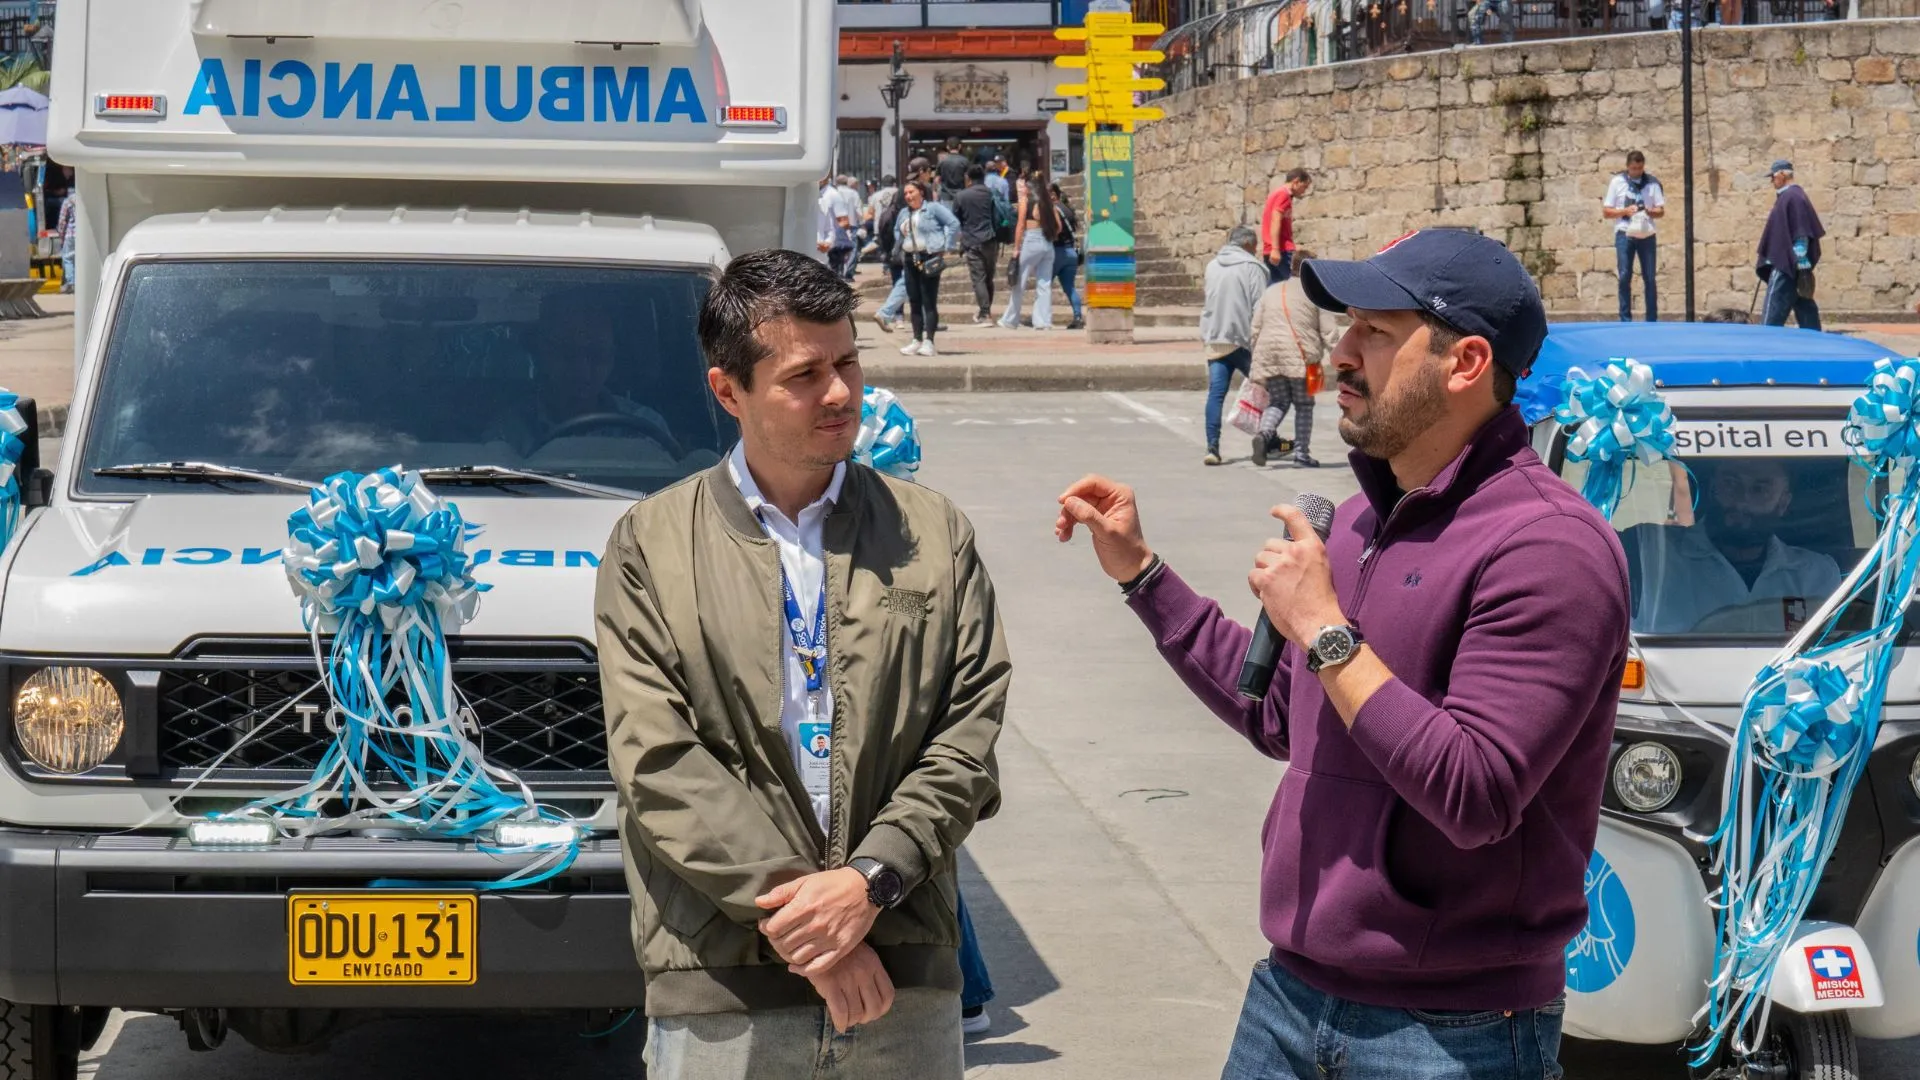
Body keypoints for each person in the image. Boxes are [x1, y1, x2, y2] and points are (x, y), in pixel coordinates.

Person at [1054, 229, 1628, 1080]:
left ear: (1465, 362)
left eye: (1376, 333)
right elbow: (1283, 715)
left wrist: (1326, 631)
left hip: (1453, 1031)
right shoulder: (1361, 518)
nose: (1343, 352)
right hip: (1290, 997)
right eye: (1347, 325)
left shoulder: (1549, 548)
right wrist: (1143, 574)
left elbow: (1475, 791)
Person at [596, 248, 1010, 1079]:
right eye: (804, 374)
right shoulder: (651, 544)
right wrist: (806, 927)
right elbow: (658, 759)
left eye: (849, 362)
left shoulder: (932, 535)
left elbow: (967, 739)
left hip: (900, 970)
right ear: (728, 391)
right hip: (721, 984)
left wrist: (867, 885)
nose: (840, 393)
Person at [1625, 457, 1842, 634]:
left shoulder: (1816, 574)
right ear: (1712, 488)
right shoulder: (1652, 555)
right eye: (1730, 483)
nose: (1741, 500)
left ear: (1783, 503)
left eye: (1760, 489)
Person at [1246, 249, 1339, 468]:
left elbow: (1255, 328)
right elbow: (1329, 331)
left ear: (1291, 267)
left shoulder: (1272, 290)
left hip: (1270, 355)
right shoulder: (1315, 292)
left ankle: (1264, 433)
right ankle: (1301, 455)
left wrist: (1256, 356)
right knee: (1304, 405)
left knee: (1278, 402)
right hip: (1303, 358)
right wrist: (1339, 357)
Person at [1199, 225, 1268, 465]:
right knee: (1270, 388)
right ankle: (1268, 438)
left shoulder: (1212, 265)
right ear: (1249, 245)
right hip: (1242, 340)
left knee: (1216, 394)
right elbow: (1260, 307)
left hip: (1214, 338)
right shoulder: (1253, 267)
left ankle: (1212, 447)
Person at [894, 180, 960, 357]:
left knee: (928, 299)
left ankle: (929, 340)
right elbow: (897, 231)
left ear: (921, 192)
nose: (908, 196)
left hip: (929, 256)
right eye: (906, 193)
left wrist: (947, 245)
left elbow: (953, 223)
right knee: (914, 300)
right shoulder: (903, 212)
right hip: (910, 258)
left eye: (911, 192)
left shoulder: (933, 208)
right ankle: (917, 339)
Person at [1757, 159, 1824, 330]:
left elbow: (1800, 228)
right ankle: (1815, 341)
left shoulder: (1793, 196)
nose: (1772, 181)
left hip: (1787, 263)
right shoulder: (1789, 196)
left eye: (1773, 177)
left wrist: (1799, 256)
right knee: (1803, 304)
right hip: (1794, 263)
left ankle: (1765, 343)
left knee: (1773, 309)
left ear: (1782, 174)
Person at [1602, 150, 1665, 322]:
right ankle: (1625, 318)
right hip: (1624, 233)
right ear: (1627, 167)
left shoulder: (1652, 183)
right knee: (1624, 276)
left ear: (1643, 166)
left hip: (1647, 234)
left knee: (1650, 277)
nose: (1636, 171)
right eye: (1633, 168)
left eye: (1639, 168)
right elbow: (1607, 212)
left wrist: (1650, 211)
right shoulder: (1617, 182)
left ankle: (1652, 319)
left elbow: (1661, 211)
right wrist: (1624, 211)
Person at [999, 170, 1062, 331]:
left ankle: (1011, 319)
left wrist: (1016, 248)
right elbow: (1059, 227)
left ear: (1029, 185)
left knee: (1019, 281)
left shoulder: (1026, 201)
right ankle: (1042, 322)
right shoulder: (1048, 202)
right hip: (1048, 243)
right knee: (1044, 284)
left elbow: (1020, 226)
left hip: (1031, 240)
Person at [951, 165, 1002, 326]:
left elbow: (955, 220)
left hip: (972, 240)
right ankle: (985, 311)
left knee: (978, 279)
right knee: (989, 278)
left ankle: (985, 314)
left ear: (968, 178)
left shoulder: (961, 196)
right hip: (991, 239)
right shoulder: (991, 193)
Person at [1260, 170, 1312, 285]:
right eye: (1304, 187)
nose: (1304, 191)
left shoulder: (1276, 194)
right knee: (1296, 285)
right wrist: (1276, 249)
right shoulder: (1284, 195)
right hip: (1281, 250)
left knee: (1275, 287)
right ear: (1296, 182)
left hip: (1271, 249)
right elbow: (1275, 219)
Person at [1050, 182, 1086, 331]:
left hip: (1058, 251)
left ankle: (1042, 318)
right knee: (1070, 288)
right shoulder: (1068, 209)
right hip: (1071, 253)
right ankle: (1078, 317)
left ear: (1053, 195)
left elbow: (1055, 230)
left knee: (1044, 285)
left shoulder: (1054, 209)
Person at [819, 176, 857, 280]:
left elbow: (844, 221)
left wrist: (830, 240)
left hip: (832, 246)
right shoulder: (817, 193)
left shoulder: (833, 195)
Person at [55, 178, 79, 296]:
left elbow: (62, 222)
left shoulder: (67, 201)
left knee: (68, 259)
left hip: (70, 234)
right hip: (83, 236)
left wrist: (61, 235)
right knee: (80, 259)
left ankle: (71, 283)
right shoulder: (84, 199)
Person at [936, 137, 970, 205]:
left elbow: (937, 180)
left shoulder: (942, 162)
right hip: (960, 196)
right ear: (959, 146)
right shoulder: (965, 161)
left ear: (948, 147)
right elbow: (967, 179)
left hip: (945, 196)